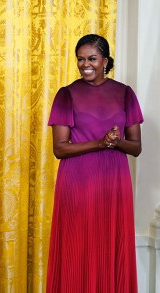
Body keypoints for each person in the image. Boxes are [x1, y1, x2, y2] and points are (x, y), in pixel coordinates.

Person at [47, 34, 143, 292]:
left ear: (105, 61)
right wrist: (100, 143)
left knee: (110, 245)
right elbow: (59, 148)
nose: (84, 64)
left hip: (114, 183)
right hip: (77, 183)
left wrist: (115, 141)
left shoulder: (124, 93)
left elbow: (135, 147)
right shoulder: (66, 95)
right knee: (77, 247)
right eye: (80, 59)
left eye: (91, 58)